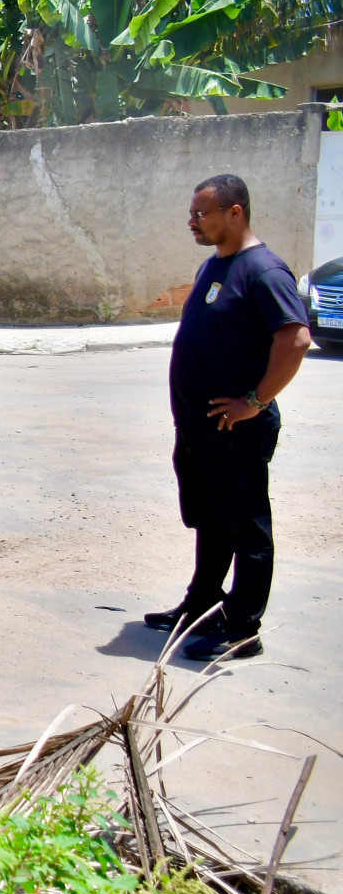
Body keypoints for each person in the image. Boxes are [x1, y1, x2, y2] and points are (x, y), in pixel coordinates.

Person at [144, 174, 311, 662]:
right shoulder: (212, 267)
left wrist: (254, 402)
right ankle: (200, 606)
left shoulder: (263, 270)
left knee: (247, 528)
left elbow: (295, 339)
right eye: (193, 213)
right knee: (212, 524)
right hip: (200, 430)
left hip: (236, 430)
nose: (191, 221)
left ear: (234, 213)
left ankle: (242, 627)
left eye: (201, 214)